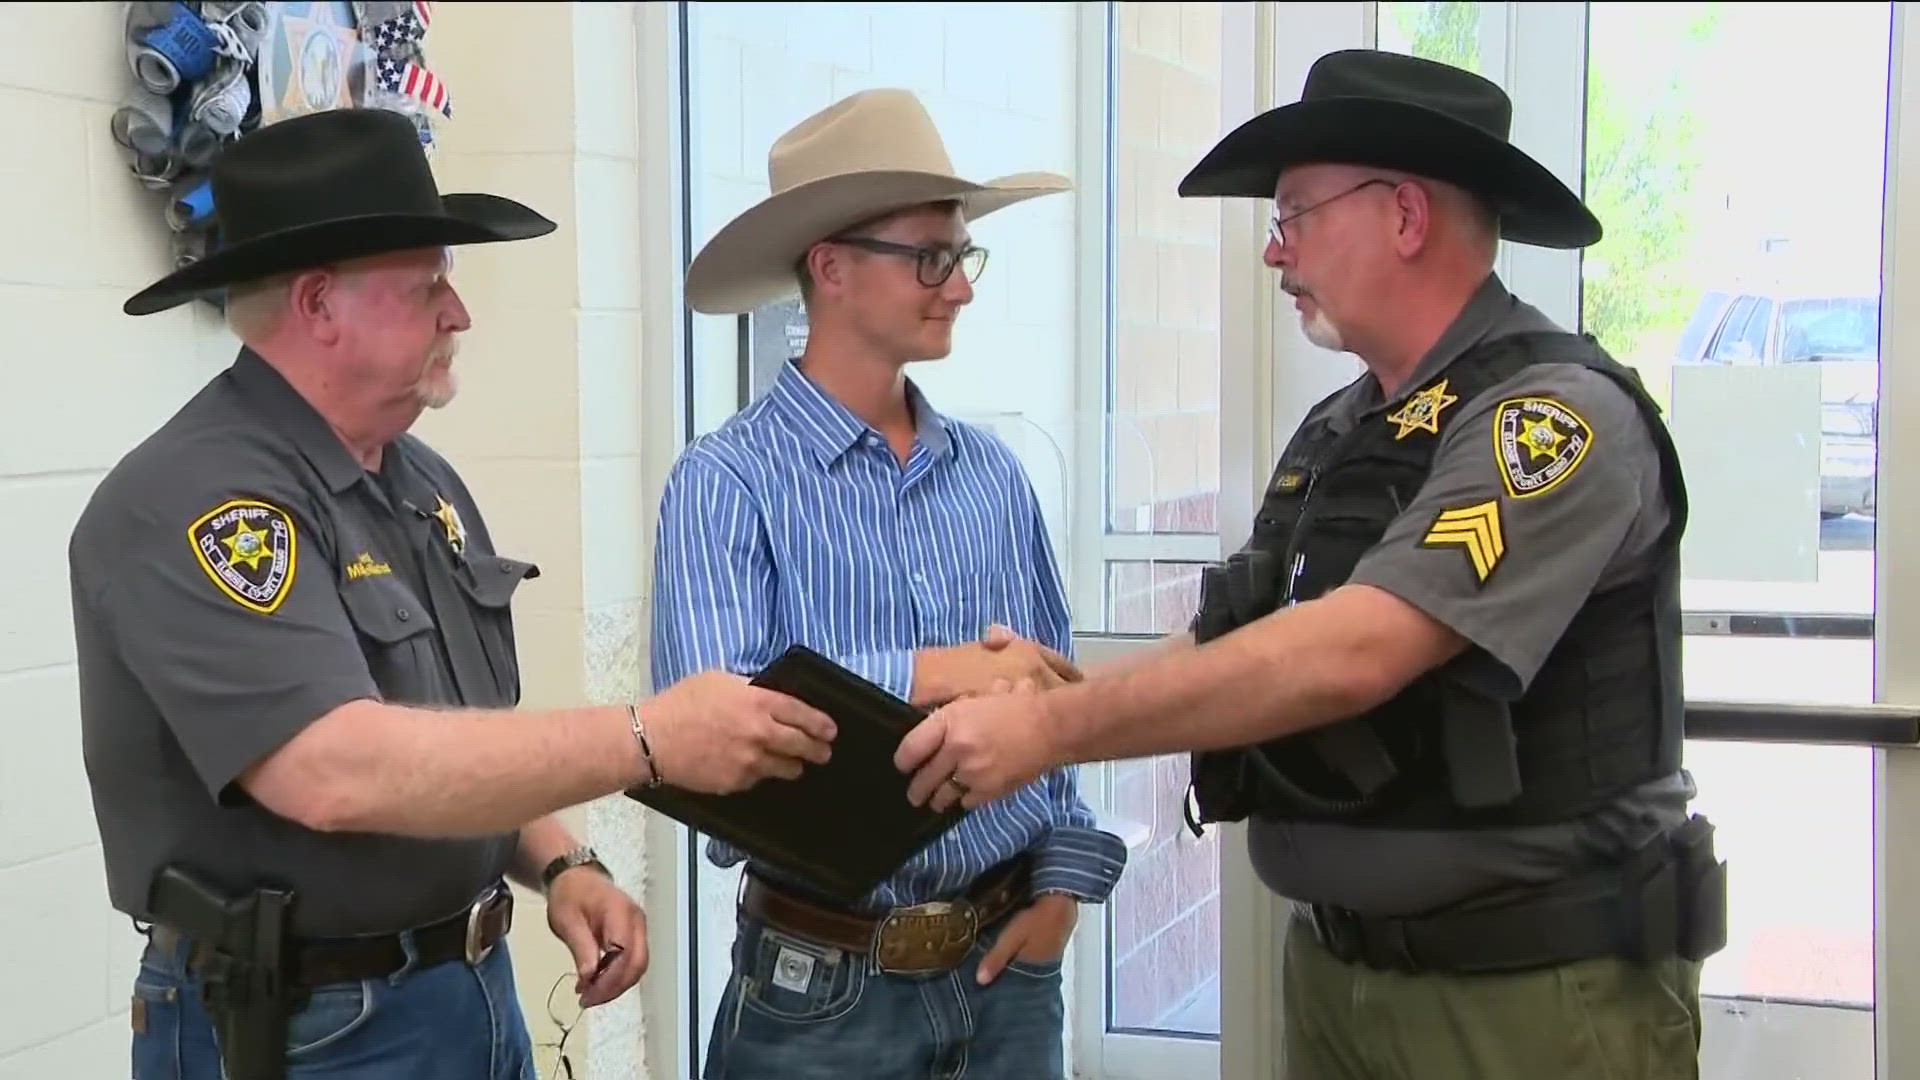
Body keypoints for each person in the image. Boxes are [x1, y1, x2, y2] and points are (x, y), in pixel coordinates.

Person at [893, 50, 1728, 1080]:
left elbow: (1358, 650)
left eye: (1295, 217)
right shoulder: (1343, 428)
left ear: (1407, 217)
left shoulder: (1551, 420)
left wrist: (1047, 730)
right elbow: (1240, 637)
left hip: (1529, 1002)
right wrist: (1070, 687)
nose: (1274, 254)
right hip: (1339, 978)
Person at [72, 106, 836, 1080]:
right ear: (318, 306)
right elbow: (334, 771)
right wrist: (648, 740)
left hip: (463, 993)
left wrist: (562, 864)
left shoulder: (417, 484)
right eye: (429, 284)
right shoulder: (198, 499)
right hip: (302, 1026)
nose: (460, 313)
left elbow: (451, 739)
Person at [654, 88, 1129, 1080]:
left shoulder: (993, 476)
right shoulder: (726, 483)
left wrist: (1062, 893)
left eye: (961, 257)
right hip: (821, 998)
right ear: (830, 268)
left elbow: (1057, 701)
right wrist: (939, 672)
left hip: (1007, 974)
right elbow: (709, 734)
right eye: (930, 257)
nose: (959, 286)